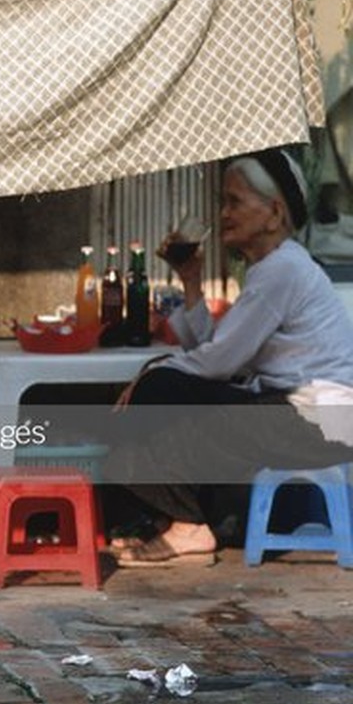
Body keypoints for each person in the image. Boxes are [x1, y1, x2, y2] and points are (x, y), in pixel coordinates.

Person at [107, 149, 353, 566]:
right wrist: (190, 281)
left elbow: (216, 363)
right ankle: (188, 520)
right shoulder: (271, 270)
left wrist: (149, 376)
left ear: (274, 214)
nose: (223, 214)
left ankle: (189, 526)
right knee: (163, 396)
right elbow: (216, 351)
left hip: (317, 421)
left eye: (235, 202)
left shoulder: (284, 270)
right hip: (295, 412)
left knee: (161, 391)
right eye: (224, 202)